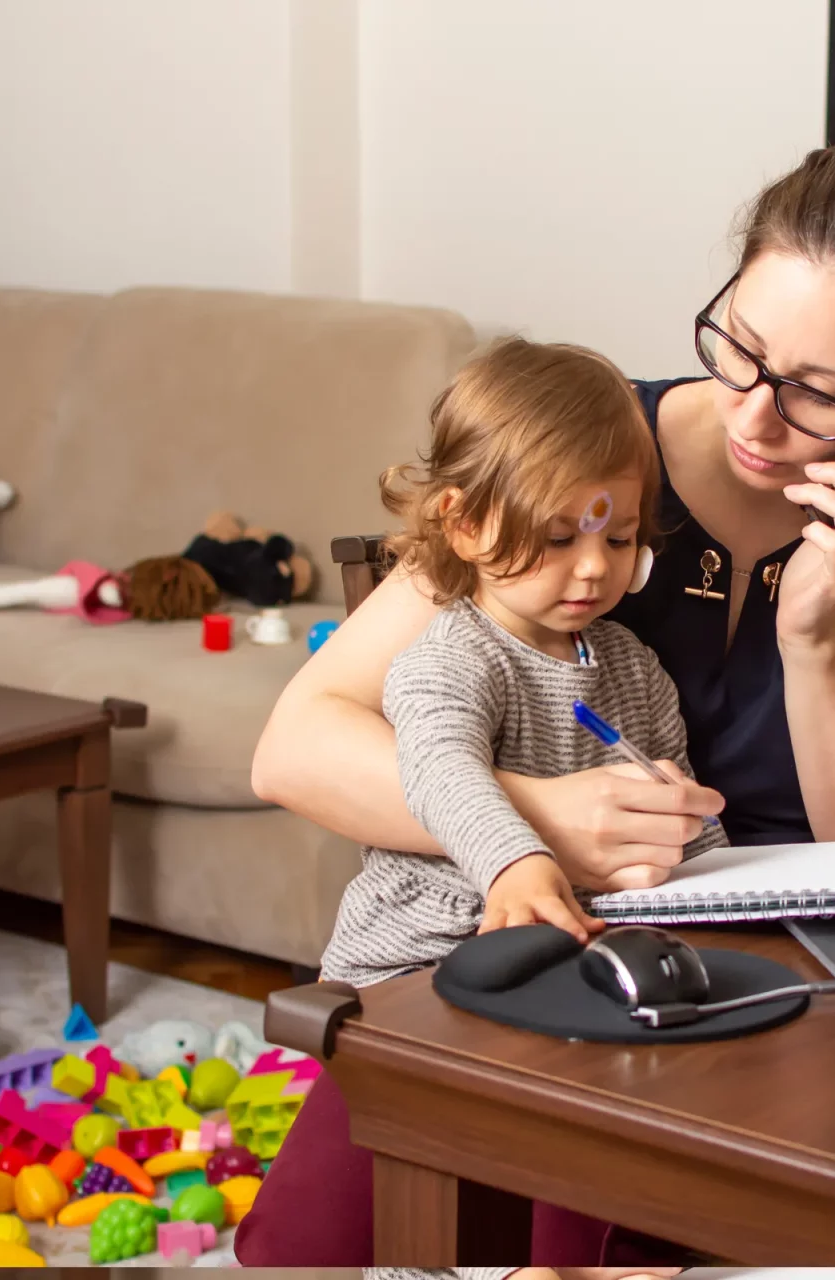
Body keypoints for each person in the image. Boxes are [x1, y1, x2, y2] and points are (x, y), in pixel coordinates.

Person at [241, 117, 835, 1265]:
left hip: (778, 992)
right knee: (298, 1252)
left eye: (819, 395)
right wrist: (544, 821)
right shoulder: (584, 445)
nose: (753, 416)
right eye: (740, 347)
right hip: (530, 927)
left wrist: (814, 635)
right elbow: (298, 746)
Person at [238, 338, 725, 1266]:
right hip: (419, 975)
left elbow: (689, 842)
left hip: (571, 978)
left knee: (599, 1134)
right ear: (463, 526)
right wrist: (520, 860)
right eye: (557, 537)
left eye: (618, 538)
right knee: (314, 1245)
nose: (592, 569)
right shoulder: (451, 657)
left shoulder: (636, 671)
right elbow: (442, 773)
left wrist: (695, 838)